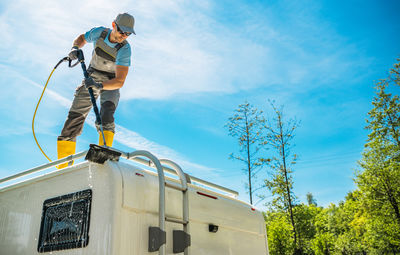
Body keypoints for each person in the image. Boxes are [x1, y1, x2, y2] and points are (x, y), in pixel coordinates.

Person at [57, 13, 135, 169]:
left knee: (107, 112)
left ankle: (103, 153)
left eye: (128, 34)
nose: (123, 36)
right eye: (121, 31)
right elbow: (81, 38)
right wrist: (75, 48)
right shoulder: (99, 33)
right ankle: (63, 165)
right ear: (114, 25)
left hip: (110, 82)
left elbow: (119, 81)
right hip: (91, 75)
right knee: (75, 117)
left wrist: (100, 85)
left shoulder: (125, 49)